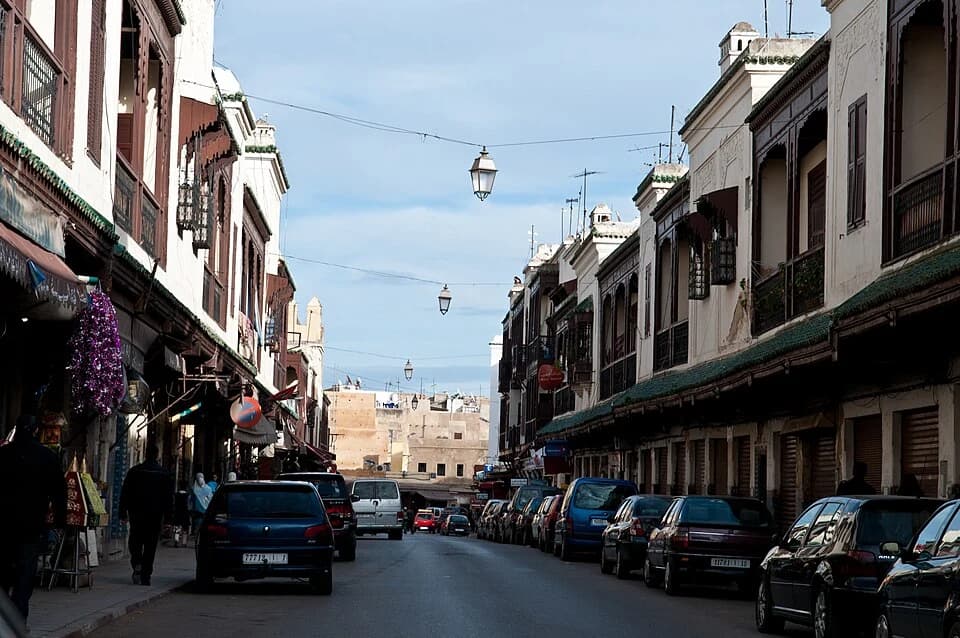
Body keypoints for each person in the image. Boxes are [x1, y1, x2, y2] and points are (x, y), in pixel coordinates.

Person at [0, 415, 67, 622]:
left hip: (4, 525)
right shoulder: (46, 457)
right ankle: (17, 619)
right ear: (36, 431)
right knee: (25, 573)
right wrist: (60, 521)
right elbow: (59, 492)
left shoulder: (4, 454)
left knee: (3, 571)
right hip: (31, 525)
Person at [119, 443, 173, 586]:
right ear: (157, 455)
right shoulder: (164, 474)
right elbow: (168, 498)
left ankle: (137, 562)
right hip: (155, 516)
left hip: (136, 514)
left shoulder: (134, 471)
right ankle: (146, 575)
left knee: (134, 541)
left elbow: (125, 493)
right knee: (150, 546)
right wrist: (168, 519)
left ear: (145, 454)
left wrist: (122, 513)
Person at [188, 473, 213, 537]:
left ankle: (197, 538)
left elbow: (190, 500)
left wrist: (190, 509)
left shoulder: (193, 489)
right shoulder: (208, 488)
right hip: (203, 511)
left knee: (198, 527)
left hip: (197, 511)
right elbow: (211, 499)